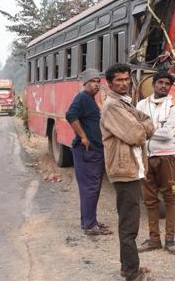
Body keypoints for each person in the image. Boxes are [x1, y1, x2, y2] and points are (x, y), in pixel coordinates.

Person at [100, 63, 154, 281]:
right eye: (119, 80)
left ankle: (128, 267)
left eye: (126, 79)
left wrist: (144, 126)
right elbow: (137, 135)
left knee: (129, 220)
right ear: (110, 83)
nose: (124, 83)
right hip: (123, 170)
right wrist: (144, 127)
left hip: (131, 168)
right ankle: (132, 273)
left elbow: (148, 123)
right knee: (129, 224)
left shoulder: (125, 103)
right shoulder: (113, 105)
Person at [136, 71, 175, 255]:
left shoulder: (174, 106)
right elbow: (135, 127)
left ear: (170, 87)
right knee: (150, 200)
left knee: (170, 198)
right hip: (146, 156)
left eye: (167, 83)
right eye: (160, 82)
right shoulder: (141, 104)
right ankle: (154, 239)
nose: (163, 86)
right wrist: (154, 129)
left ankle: (170, 240)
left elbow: (168, 134)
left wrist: (146, 129)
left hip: (167, 157)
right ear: (153, 84)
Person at [65, 68, 111, 236]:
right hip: (87, 151)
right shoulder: (82, 98)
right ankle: (90, 226)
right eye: (93, 82)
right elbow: (70, 115)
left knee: (92, 187)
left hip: (95, 151)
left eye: (99, 82)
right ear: (85, 83)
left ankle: (90, 221)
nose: (96, 85)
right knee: (90, 187)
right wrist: (83, 136)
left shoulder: (90, 99)